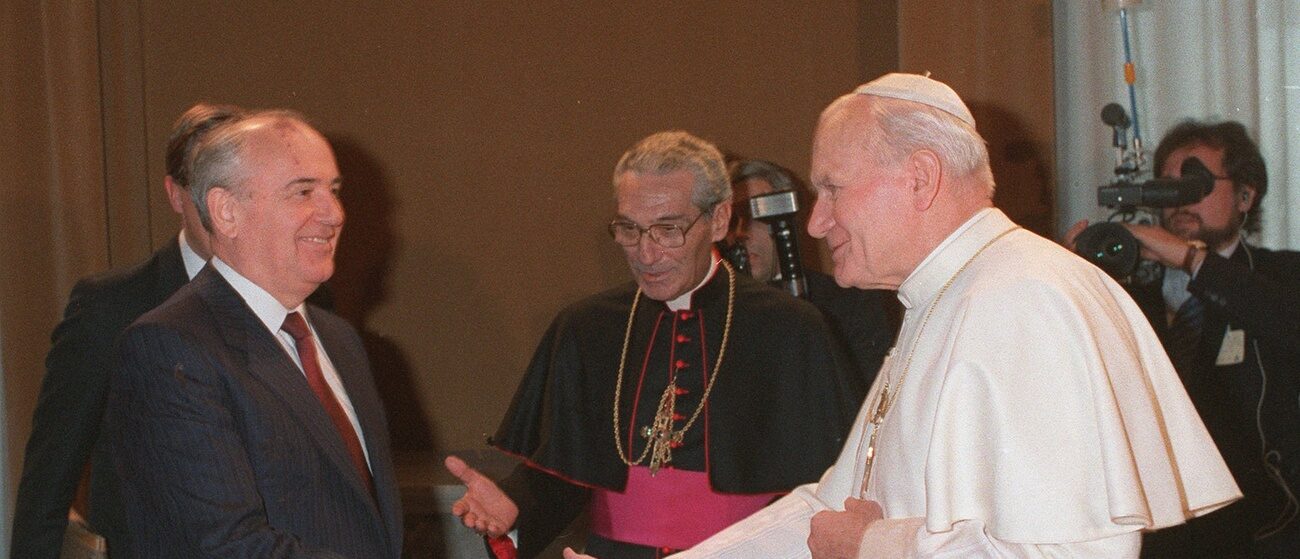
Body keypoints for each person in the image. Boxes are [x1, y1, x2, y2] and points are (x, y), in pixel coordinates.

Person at [569, 73, 1241, 559]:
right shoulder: (942, 299)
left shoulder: (1025, 299)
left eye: (832, 187)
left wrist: (872, 544)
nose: (817, 218)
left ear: (920, 177)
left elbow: (1067, 553)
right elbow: (826, 509)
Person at [446, 131, 863, 558]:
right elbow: (568, 469)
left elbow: (825, 488)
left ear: (719, 220)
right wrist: (514, 508)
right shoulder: (587, 329)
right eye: (629, 229)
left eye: (668, 229)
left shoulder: (789, 329)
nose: (646, 253)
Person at [105, 110, 402, 557]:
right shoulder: (169, 348)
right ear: (227, 212)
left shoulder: (339, 340)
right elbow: (224, 547)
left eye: (334, 191)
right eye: (303, 191)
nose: (334, 213)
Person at [9, 103, 245, 558]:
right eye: (212, 191)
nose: (227, 211)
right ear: (176, 195)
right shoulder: (112, 307)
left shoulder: (305, 304)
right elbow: (47, 484)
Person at [1068, 121, 1300, 557]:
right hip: (1164, 533)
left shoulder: (1280, 276)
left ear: (1245, 196)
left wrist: (1193, 260)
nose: (1180, 201)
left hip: (1265, 531)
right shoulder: (1133, 292)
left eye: (1197, 184)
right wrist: (1071, 282)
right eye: (1167, 187)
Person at [725, 158, 897, 389]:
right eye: (733, 219)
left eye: (756, 215)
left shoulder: (849, 301)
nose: (742, 232)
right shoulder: (719, 312)